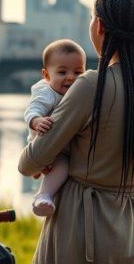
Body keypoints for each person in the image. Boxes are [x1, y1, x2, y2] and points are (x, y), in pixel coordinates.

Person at [18, 0, 134, 263]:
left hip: (82, 228)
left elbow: (31, 162)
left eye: (93, 18)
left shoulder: (91, 84)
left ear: (99, 26)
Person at [24, 38, 87, 217]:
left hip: (63, 142)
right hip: (45, 142)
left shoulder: (79, 91)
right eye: (62, 72)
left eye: (78, 72)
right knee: (63, 165)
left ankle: (39, 172)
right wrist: (36, 121)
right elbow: (32, 109)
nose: (70, 77)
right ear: (46, 75)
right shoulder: (46, 92)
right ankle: (43, 195)